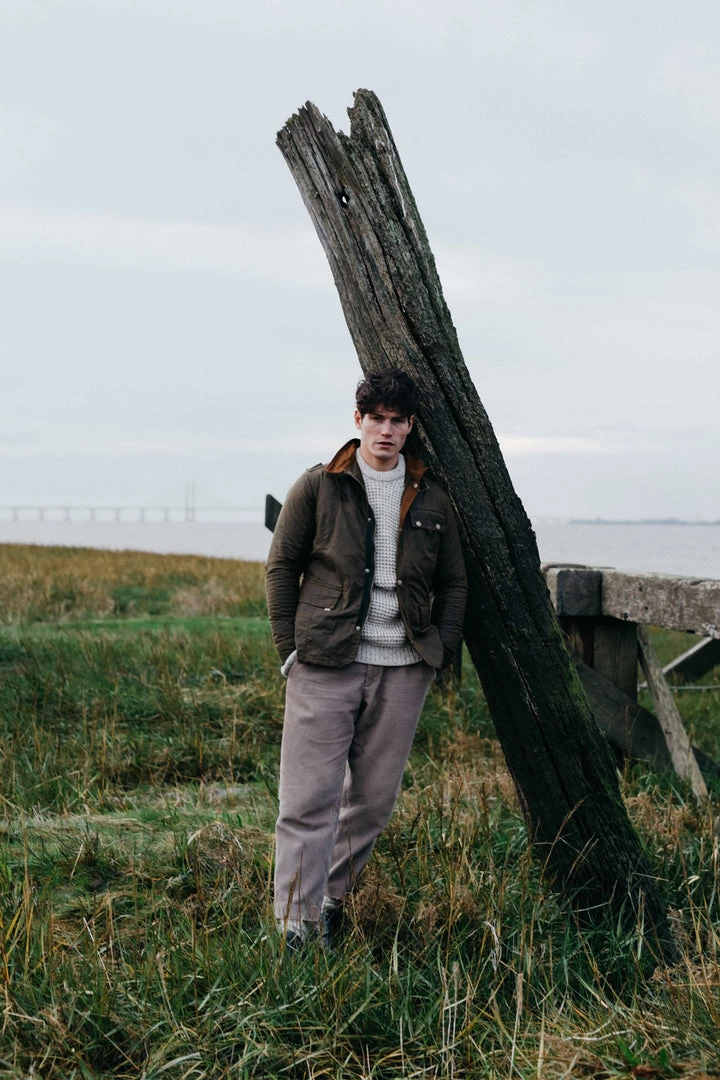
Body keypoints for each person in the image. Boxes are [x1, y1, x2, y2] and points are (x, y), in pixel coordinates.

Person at [265, 367, 467, 948]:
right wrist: (289, 650)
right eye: (375, 418)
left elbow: (454, 582)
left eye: (396, 420)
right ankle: (294, 926)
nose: (385, 430)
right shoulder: (319, 485)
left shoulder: (433, 497)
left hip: (404, 669)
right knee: (308, 800)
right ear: (358, 420)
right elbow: (281, 567)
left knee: (373, 803)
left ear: (410, 426)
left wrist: (440, 650)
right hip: (324, 663)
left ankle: (330, 902)